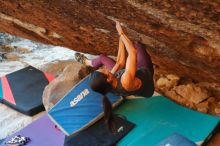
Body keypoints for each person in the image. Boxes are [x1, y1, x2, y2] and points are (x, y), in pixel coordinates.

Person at [75, 21, 154, 129]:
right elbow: (132, 52)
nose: (103, 69)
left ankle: (88, 62)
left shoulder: (109, 83)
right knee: (137, 45)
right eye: (102, 71)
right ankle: (89, 62)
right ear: (107, 79)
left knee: (104, 57)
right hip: (146, 75)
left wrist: (121, 39)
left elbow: (120, 62)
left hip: (133, 76)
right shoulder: (125, 81)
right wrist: (121, 32)